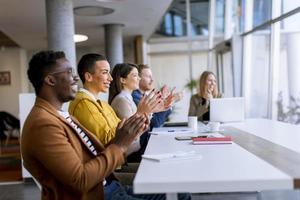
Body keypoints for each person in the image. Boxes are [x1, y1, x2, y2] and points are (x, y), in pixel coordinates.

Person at [21, 50, 170, 200]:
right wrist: (120, 145)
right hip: (98, 194)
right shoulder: (43, 125)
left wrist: (128, 133)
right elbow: (80, 180)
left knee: (175, 192)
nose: (75, 77)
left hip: (108, 185)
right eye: (68, 72)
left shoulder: (62, 115)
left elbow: (97, 152)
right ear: (51, 80)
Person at [132, 64, 178, 129]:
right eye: (148, 76)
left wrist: (166, 102)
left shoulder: (145, 95)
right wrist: (165, 103)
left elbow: (161, 118)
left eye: (151, 77)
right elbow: (156, 122)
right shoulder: (136, 97)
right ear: (138, 78)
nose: (152, 80)